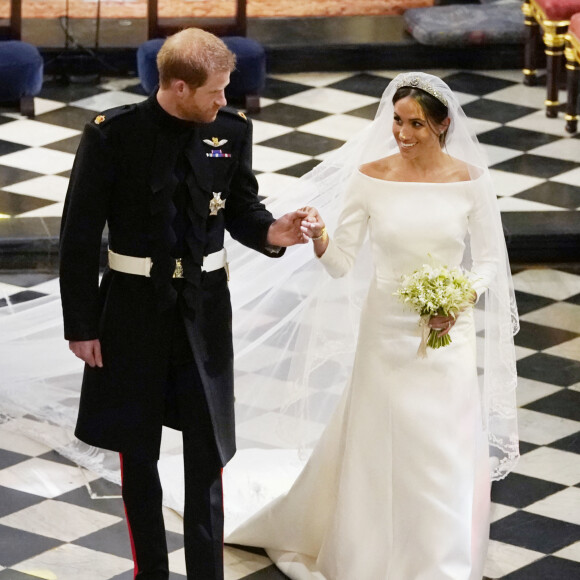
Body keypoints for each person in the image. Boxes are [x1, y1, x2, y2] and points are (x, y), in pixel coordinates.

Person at [224, 72, 520, 579]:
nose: (403, 135)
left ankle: (437, 562)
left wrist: (459, 298)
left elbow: (491, 261)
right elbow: (341, 262)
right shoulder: (371, 175)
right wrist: (318, 237)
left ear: (444, 125)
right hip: (385, 330)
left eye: (417, 125)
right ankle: (371, 554)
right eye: (398, 122)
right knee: (383, 442)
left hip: (446, 327)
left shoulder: (471, 180)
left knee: (440, 445)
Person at [58, 28, 310, 580]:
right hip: (129, 312)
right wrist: (81, 325)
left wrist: (273, 232)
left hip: (203, 312)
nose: (225, 100)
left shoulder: (230, 130)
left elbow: (241, 206)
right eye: (215, 90)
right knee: (137, 451)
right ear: (177, 85)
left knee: (208, 455)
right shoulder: (111, 136)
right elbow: (78, 235)